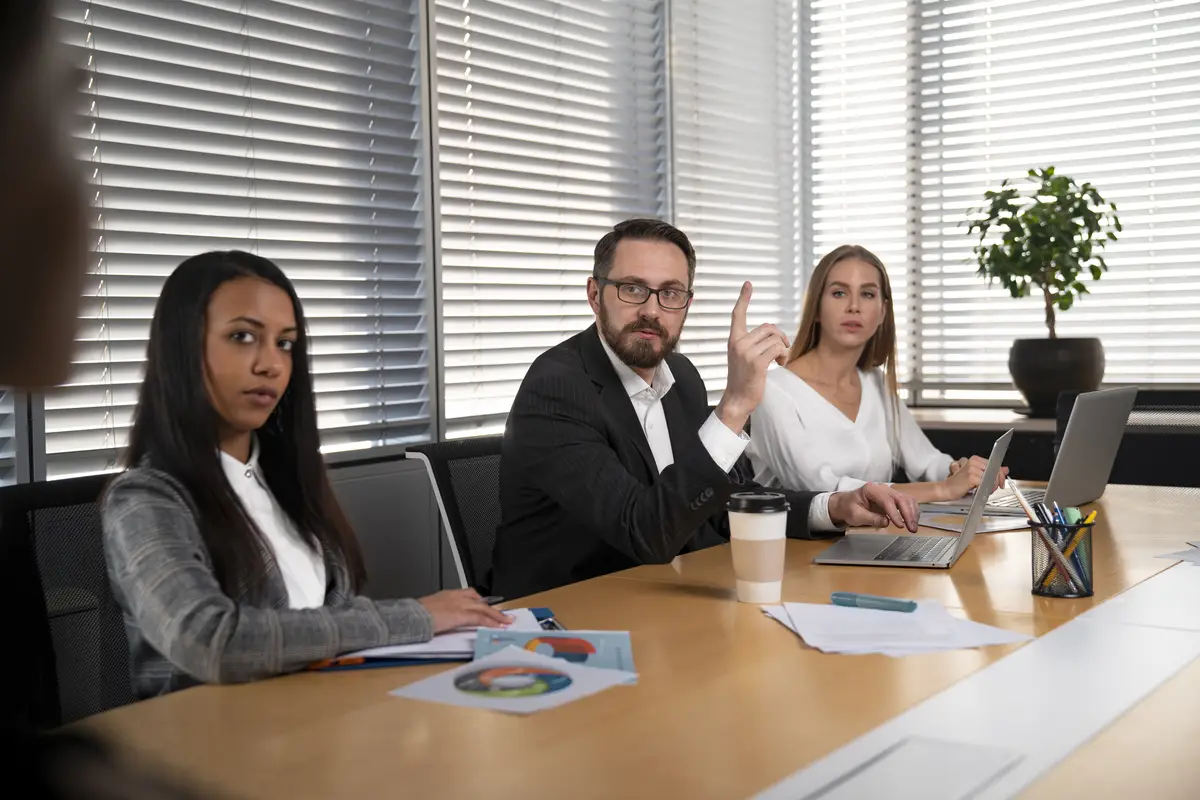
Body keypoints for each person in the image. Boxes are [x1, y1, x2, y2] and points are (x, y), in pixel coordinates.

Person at [102, 251, 510, 699]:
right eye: (242, 336)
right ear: (180, 347)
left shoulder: (283, 481)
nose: (270, 364)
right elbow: (210, 641)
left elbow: (328, 618)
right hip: (210, 742)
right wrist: (416, 616)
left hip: (314, 719)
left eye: (285, 343)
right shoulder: (145, 499)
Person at [491, 219, 920, 599]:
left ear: (687, 304)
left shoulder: (680, 376)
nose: (652, 310)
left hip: (664, 599)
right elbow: (644, 531)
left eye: (671, 293)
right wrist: (734, 407)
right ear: (594, 294)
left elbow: (719, 502)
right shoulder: (557, 386)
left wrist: (834, 507)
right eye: (633, 288)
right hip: (569, 614)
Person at [747, 244, 1006, 502]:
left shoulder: (876, 383)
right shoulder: (773, 390)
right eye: (839, 293)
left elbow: (926, 462)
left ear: (882, 311)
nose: (854, 306)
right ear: (815, 308)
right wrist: (943, 489)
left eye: (868, 294)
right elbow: (820, 489)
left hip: (876, 538)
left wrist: (961, 472)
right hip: (799, 543)